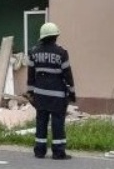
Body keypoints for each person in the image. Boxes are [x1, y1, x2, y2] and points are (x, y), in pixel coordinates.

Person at [25, 22, 76, 160]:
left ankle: (39, 151)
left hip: (40, 95)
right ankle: (58, 152)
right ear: (55, 36)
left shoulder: (33, 52)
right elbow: (67, 75)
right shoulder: (62, 53)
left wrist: (30, 93)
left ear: (42, 37)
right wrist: (72, 92)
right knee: (57, 123)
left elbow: (30, 75)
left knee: (41, 121)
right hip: (57, 96)